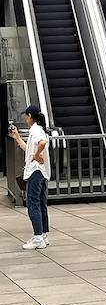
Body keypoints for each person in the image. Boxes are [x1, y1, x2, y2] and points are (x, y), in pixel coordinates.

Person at [9, 105, 50, 250]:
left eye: (26, 116)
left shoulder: (35, 130)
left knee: (33, 204)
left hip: (35, 172)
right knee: (41, 204)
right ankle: (43, 235)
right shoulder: (40, 129)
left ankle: (38, 238)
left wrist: (37, 155)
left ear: (30, 116)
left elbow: (42, 143)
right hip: (42, 172)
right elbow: (29, 150)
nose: (25, 118)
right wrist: (17, 138)